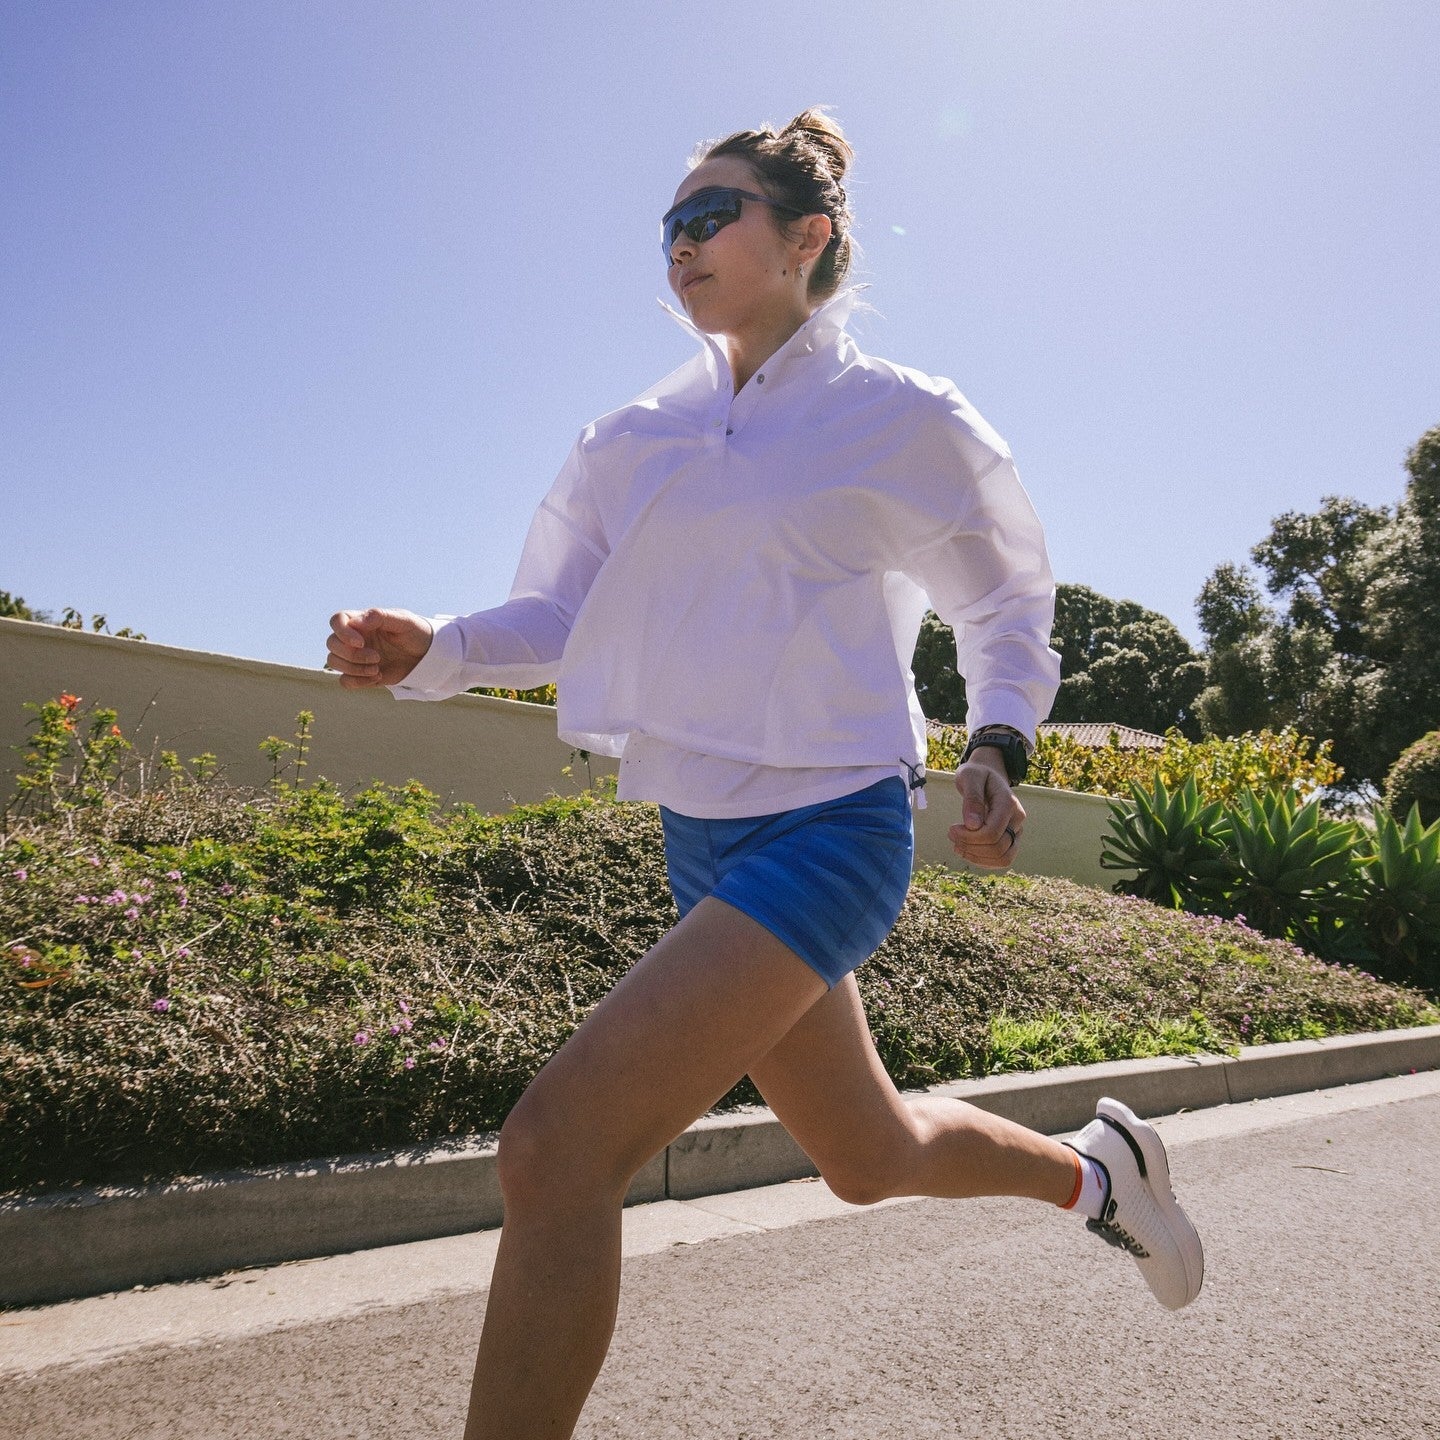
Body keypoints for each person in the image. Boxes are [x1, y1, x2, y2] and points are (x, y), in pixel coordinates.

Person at [326, 108, 1203, 1440]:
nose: (677, 246)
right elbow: (566, 617)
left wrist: (997, 736)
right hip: (701, 833)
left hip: (832, 827)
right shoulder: (628, 440)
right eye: (666, 225)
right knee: (870, 1155)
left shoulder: (897, 419)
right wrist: (436, 648)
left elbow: (1004, 600)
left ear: (809, 236)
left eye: (708, 216)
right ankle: (1099, 1176)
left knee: (556, 1150)